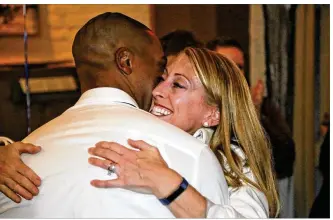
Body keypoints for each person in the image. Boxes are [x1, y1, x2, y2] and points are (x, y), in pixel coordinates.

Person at [0, 12, 229, 218]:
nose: (159, 89)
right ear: (126, 62)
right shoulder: (190, 155)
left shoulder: (21, 160)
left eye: (177, 84)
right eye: (160, 69)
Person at [87, 47, 280, 217]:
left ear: (213, 114)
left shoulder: (234, 163)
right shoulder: (131, 134)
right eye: (162, 79)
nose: (157, 91)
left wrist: (167, 184)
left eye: (178, 85)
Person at [207, 38, 295, 216]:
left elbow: (285, 158)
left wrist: (253, 113)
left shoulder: (261, 107)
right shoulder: (199, 102)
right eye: (226, 64)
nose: (234, 72)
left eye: (239, 67)